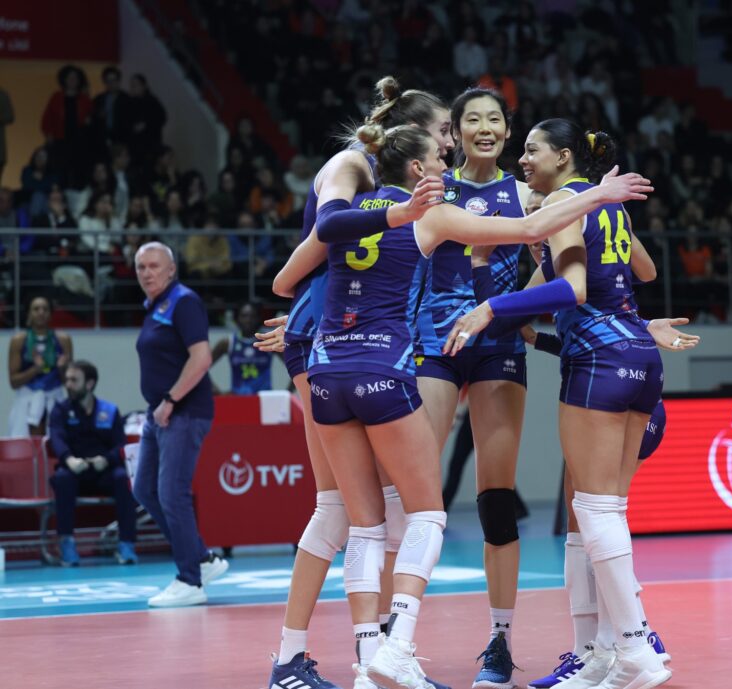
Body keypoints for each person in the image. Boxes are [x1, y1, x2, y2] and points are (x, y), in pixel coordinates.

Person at [272, 122, 652, 689]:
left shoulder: (347, 214)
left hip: (325, 371)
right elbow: (532, 227)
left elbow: (285, 283)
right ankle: (397, 648)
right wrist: (599, 193)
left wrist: (333, 302)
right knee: (426, 514)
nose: (444, 165)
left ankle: (367, 658)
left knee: (363, 524)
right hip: (383, 368)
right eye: (436, 156)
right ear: (416, 170)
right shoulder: (428, 214)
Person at [445, 120, 692, 689]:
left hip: (598, 363)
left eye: (532, 150)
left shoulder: (562, 203)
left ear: (562, 157)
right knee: (601, 514)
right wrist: (497, 276)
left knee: (594, 512)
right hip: (639, 355)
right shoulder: (606, 205)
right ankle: (600, 653)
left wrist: (489, 302)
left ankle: (636, 647)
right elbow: (644, 272)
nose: (522, 159)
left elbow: (570, 291)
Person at [255, 76, 455, 689]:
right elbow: (328, 231)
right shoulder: (352, 167)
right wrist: (310, 313)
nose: (449, 144)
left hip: (345, 341)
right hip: (329, 345)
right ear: (412, 134)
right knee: (340, 509)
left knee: (373, 512)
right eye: (443, 131)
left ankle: (377, 655)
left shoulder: (395, 182)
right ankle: (292, 657)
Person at [412, 88, 531, 688]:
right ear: (454, 132)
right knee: (414, 491)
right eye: (473, 120)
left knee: (496, 498)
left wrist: (521, 307)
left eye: (495, 119)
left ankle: (500, 642)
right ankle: (392, 636)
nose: (485, 127)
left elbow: (566, 254)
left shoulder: (526, 194)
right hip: (436, 344)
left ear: (507, 132)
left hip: (499, 348)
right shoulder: (432, 188)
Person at [132, 241, 229, 607]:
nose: (147, 273)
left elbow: (201, 358)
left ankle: (190, 580)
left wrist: (171, 400)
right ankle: (200, 558)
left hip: (183, 412)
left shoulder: (183, 301)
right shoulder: (154, 306)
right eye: (141, 267)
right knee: (145, 489)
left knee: (172, 493)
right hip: (158, 412)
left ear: (171, 269)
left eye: (154, 266)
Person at [48, 360, 136, 566]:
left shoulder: (109, 411)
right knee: (62, 479)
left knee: (123, 478)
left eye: (74, 380)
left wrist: (106, 460)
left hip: (103, 470)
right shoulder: (60, 410)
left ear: (89, 384)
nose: (68, 384)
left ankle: (127, 545)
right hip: (74, 470)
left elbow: (120, 445)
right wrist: (69, 459)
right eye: (67, 380)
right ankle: (67, 544)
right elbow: (56, 438)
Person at [7, 296, 73, 437]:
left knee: (58, 442)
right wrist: (35, 370)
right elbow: (13, 382)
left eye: (45, 309)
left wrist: (62, 369)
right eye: (36, 309)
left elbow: (70, 383)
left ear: (50, 314)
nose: (41, 312)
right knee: (21, 442)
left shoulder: (63, 340)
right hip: (27, 397)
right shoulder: (18, 340)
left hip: (54, 396)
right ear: (29, 314)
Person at [211, 303, 274, 395]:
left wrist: (288, 392)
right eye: (244, 316)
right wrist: (218, 392)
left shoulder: (268, 340)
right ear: (237, 319)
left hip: (264, 398)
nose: (248, 320)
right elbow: (202, 368)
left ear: (258, 318)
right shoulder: (228, 342)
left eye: (252, 316)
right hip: (238, 399)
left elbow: (294, 364)